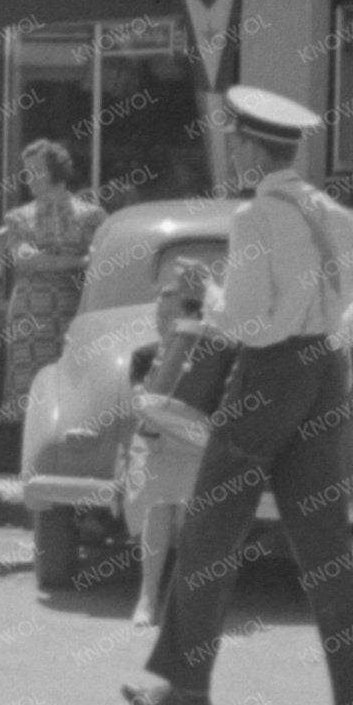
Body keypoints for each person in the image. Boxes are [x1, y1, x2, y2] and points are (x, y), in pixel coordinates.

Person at [123, 87, 353, 705]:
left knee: (211, 534)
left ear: (250, 147)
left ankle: (187, 686)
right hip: (320, 377)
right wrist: (331, 341)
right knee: (329, 553)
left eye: (239, 143)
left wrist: (210, 293)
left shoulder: (256, 216)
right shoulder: (324, 207)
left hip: (267, 379)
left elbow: (245, 319)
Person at [119, 260, 218, 628]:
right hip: (155, 442)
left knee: (196, 521)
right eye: (159, 315)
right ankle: (147, 598)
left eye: (169, 316)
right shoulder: (145, 356)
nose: (162, 323)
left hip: (195, 444)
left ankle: (187, 603)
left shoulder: (208, 348)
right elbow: (142, 402)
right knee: (156, 512)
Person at [0, 139, 103, 425]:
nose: (27, 177)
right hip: (29, 319)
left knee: (70, 397)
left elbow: (101, 263)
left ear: (56, 171)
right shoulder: (18, 217)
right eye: (26, 170)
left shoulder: (90, 215)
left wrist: (56, 259)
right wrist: (77, 261)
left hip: (73, 315)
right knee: (29, 401)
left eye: (35, 170)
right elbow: (25, 259)